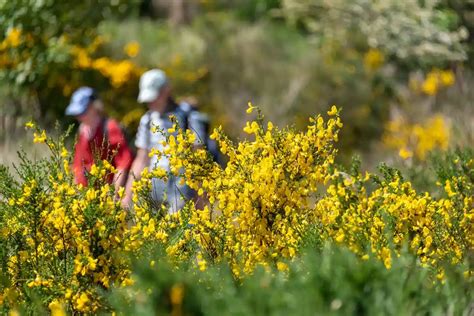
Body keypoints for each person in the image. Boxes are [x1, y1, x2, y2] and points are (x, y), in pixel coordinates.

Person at [122, 69, 205, 212]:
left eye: (154, 96)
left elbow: (198, 159)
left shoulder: (188, 117)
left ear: (166, 90)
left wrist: (201, 198)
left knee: (177, 229)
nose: (151, 102)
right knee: (155, 231)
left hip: (181, 183)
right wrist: (127, 196)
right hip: (154, 182)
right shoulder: (147, 120)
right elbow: (142, 159)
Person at [65, 87, 133, 191]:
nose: (79, 117)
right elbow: (78, 165)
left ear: (94, 107)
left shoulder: (110, 127)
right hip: (88, 196)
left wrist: (115, 195)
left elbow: (123, 165)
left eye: (82, 112)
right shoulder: (82, 130)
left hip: (108, 194)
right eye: (77, 114)